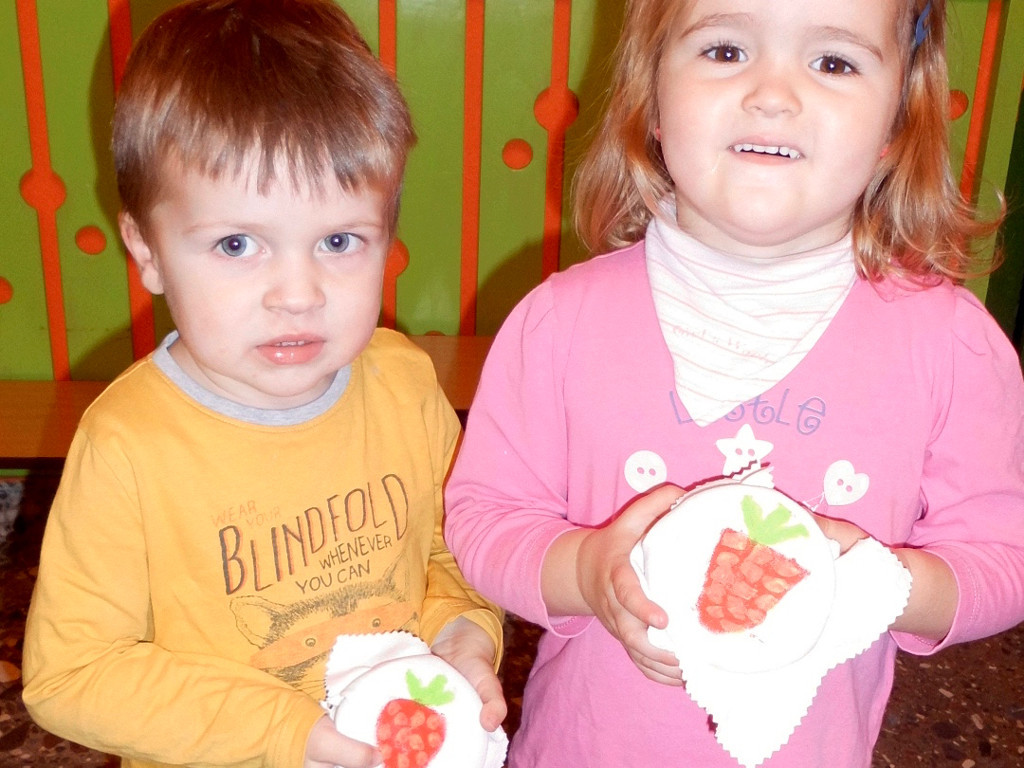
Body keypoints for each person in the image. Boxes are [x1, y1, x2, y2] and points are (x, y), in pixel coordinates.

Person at [444, 0, 1024, 765]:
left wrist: (878, 584)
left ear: (895, 128)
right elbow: (485, 517)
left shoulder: (953, 347)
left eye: (834, 62)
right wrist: (586, 574)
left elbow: (1002, 558)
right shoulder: (558, 324)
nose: (773, 94)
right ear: (651, 100)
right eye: (724, 51)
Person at [21, 2, 505, 768]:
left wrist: (463, 632)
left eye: (339, 241)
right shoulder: (128, 445)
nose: (297, 293)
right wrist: (290, 734)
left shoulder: (405, 385)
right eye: (238, 243)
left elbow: (453, 555)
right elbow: (72, 676)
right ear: (147, 251)